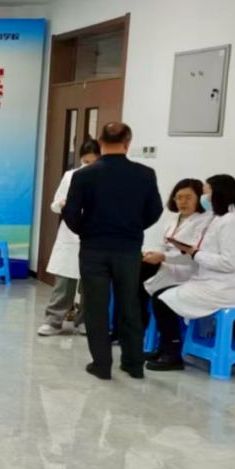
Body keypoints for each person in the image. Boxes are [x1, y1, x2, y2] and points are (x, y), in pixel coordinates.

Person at [63, 122, 162, 380]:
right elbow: (155, 211)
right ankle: (133, 364)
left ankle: (102, 365)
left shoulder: (84, 175)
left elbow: (71, 213)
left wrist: (86, 231)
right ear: (128, 142)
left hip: (94, 249)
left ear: (99, 141)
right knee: (129, 304)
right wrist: (133, 229)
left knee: (96, 307)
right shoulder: (145, 174)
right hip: (128, 249)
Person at [147, 175, 235, 372]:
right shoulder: (214, 219)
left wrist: (195, 253)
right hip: (208, 280)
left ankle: (172, 354)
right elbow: (202, 251)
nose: (203, 197)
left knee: (162, 300)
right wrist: (187, 250)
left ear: (219, 193)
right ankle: (165, 347)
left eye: (206, 192)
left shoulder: (232, 221)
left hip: (226, 286)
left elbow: (230, 263)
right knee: (159, 295)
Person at [140, 178, 211, 359]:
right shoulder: (172, 219)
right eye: (178, 197)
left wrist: (163, 257)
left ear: (200, 198)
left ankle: (167, 345)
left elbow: (193, 255)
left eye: (188, 197)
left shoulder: (204, 221)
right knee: (135, 271)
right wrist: (153, 253)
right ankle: (134, 329)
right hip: (169, 267)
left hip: (189, 272)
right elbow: (165, 246)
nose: (182, 202)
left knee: (157, 295)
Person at [39, 139, 101, 337]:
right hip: (70, 236)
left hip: (95, 237)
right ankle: (53, 321)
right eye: (85, 162)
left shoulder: (107, 178)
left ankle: (84, 321)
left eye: (93, 162)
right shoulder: (70, 176)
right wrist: (62, 203)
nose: (89, 166)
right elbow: (54, 205)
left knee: (90, 284)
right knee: (64, 283)